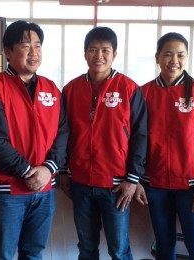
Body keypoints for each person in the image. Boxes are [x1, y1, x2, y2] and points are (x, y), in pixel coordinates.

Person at [0, 20, 69, 259]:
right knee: (2, 254)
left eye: (38, 45)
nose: (34, 52)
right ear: (8, 51)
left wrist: (48, 168)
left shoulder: (51, 89)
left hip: (45, 189)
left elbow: (63, 132)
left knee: (34, 252)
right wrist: (27, 171)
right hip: (7, 192)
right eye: (26, 45)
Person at [134, 32, 194, 260]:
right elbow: (135, 139)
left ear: (187, 57)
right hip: (155, 185)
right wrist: (136, 180)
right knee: (164, 247)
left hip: (193, 187)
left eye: (180, 55)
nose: (174, 60)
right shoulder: (143, 93)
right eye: (168, 54)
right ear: (157, 58)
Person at [60, 26, 147, 260]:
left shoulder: (128, 89)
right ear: (85, 53)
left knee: (119, 249)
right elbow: (62, 133)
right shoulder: (70, 89)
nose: (99, 56)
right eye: (93, 50)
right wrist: (63, 171)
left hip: (116, 185)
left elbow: (140, 137)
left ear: (114, 54)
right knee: (86, 247)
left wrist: (132, 178)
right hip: (80, 182)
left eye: (105, 50)